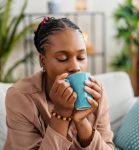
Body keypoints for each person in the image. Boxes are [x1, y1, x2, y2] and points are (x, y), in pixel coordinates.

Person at [4, 17, 114, 150]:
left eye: (81, 57)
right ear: (43, 61)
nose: (75, 67)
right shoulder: (21, 96)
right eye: (62, 58)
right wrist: (61, 113)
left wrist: (81, 122)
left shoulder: (96, 92)